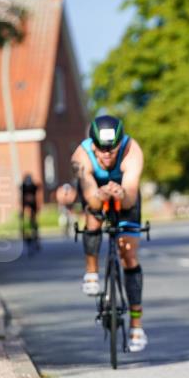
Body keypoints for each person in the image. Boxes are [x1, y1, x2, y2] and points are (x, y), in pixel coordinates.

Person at [70, 115, 148, 352]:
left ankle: (136, 326)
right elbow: (90, 195)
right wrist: (101, 196)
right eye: (101, 149)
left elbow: (131, 197)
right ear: (92, 144)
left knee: (129, 255)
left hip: (125, 196)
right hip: (95, 193)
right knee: (93, 218)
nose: (106, 154)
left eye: (112, 149)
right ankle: (91, 272)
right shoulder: (80, 157)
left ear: (120, 142)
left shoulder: (132, 151)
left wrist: (121, 194)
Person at [20, 174, 40, 245]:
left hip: (32, 206)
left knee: (33, 220)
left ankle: (35, 235)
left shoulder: (33, 187)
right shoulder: (23, 187)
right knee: (23, 221)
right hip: (25, 205)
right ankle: (24, 233)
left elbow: (38, 188)